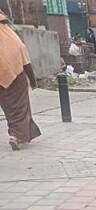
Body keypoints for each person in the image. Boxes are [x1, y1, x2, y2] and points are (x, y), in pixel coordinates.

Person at [0, 11, 40, 151]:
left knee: (9, 109)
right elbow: (23, 54)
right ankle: (15, 136)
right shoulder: (10, 34)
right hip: (16, 76)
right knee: (20, 108)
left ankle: (16, 134)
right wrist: (33, 79)